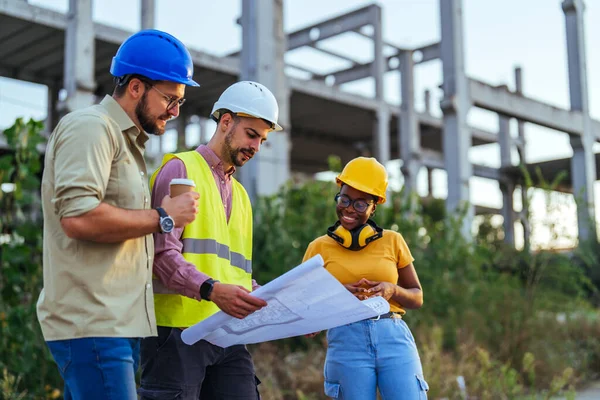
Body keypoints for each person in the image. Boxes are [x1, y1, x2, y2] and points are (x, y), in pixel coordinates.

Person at [36, 29, 201, 399]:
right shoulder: (92, 128)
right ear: (137, 87)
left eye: (179, 102)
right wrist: (164, 216)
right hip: (93, 324)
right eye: (170, 99)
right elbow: (78, 219)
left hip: (115, 327)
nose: (175, 112)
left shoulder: (127, 142)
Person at [138, 80, 282, 399]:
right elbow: (161, 255)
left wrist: (281, 306)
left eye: (262, 139)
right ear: (226, 121)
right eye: (251, 134)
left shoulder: (242, 197)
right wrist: (212, 290)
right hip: (176, 335)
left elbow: (236, 274)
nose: (256, 146)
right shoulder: (181, 170)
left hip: (227, 335)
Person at [303, 157, 429, 400]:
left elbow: (417, 297)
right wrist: (337, 296)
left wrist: (393, 290)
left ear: (374, 207)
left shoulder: (393, 241)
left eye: (361, 204)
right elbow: (302, 306)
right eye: (345, 199)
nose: (349, 209)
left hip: (393, 337)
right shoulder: (318, 248)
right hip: (346, 341)